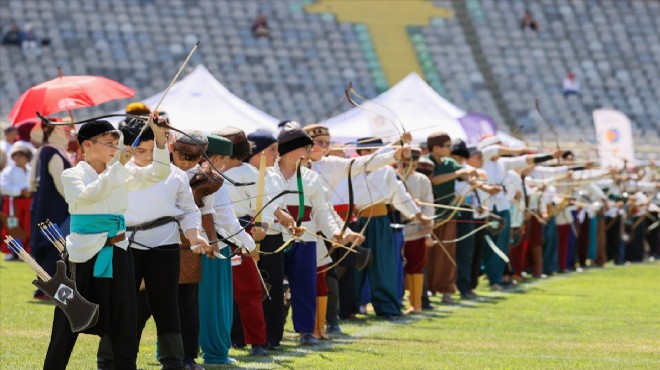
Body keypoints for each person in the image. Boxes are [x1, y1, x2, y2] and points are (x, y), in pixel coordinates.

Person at [43, 117, 172, 370]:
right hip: (81, 255)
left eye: (116, 142)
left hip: (117, 253)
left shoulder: (120, 171)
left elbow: (160, 172)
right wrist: (119, 167)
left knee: (125, 320)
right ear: (87, 146)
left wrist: (159, 138)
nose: (115, 147)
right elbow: (89, 196)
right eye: (109, 142)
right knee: (68, 319)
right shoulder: (72, 174)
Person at [96, 119, 212, 370]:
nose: (147, 157)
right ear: (127, 148)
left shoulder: (175, 175)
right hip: (124, 245)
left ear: (163, 146)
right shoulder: (116, 173)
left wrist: (194, 236)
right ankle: (109, 359)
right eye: (141, 151)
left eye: (153, 150)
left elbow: (187, 211)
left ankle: (173, 362)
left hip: (164, 245)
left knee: (166, 304)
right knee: (121, 303)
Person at [353, 137, 426, 319]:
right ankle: (350, 307)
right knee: (354, 266)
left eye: (375, 151)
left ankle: (387, 307)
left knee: (383, 265)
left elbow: (400, 196)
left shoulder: (386, 171)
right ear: (360, 152)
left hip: (379, 221)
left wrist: (417, 214)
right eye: (367, 151)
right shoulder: (351, 169)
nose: (371, 155)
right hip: (354, 222)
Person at [214, 127, 270, 356]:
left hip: (241, 231)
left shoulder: (251, 174)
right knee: (216, 290)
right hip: (212, 231)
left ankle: (257, 341)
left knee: (247, 290)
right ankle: (221, 339)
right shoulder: (210, 172)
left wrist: (261, 227)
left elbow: (266, 205)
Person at [29, 120, 74, 300]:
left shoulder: (47, 150)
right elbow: (61, 183)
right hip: (55, 206)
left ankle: (47, 287)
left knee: (51, 244)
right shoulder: (52, 152)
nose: (69, 133)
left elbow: (32, 182)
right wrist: (75, 200)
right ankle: (47, 288)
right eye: (65, 130)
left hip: (45, 204)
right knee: (54, 246)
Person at [397, 146, 433, 312]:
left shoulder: (422, 180)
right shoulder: (393, 176)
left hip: (416, 229)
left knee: (416, 265)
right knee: (395, 266)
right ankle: (397, 299)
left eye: (414, 164)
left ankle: (416, 303)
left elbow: (429, 204)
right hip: (396, 228)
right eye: (406, 164)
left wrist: (427, 226)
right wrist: (410, 204)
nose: (411, 168)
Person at [0, 143, 33, 261]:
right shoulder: (8, 170)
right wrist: (20, 191)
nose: (18, 158)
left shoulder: (30, 170)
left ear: (27, 158)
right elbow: (3, 186)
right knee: (11, 226)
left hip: (28, 202)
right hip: (12, 204)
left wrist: (29, 191)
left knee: (26, 227)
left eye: (21, 155)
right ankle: (9, 251)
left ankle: (23, 252)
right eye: (16, 155)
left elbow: (34, 184)